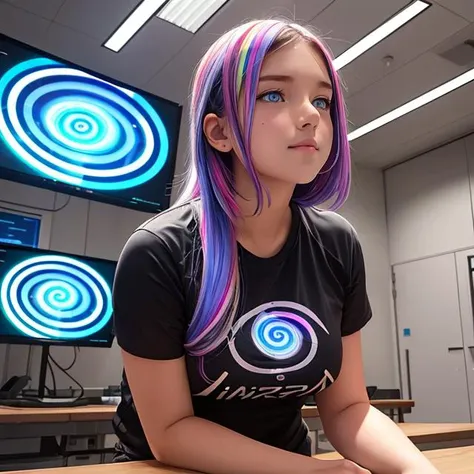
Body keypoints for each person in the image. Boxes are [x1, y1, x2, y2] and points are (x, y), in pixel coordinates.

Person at [112, 18, 440, 474]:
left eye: (322, 100)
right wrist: (319, 471)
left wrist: (416, 471)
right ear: (219, 132)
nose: (310, 114)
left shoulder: (337, 243)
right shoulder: (158, 251)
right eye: (273, 94)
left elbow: (347, 409)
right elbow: (171, 432)